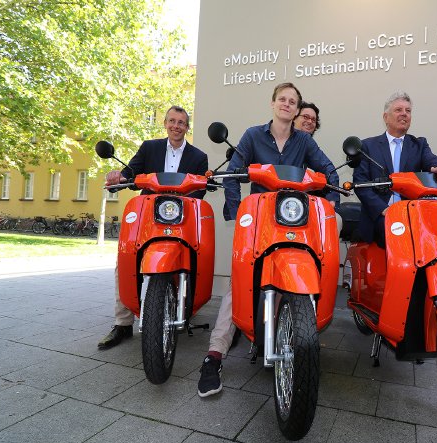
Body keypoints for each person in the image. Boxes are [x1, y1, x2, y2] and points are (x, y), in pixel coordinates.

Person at [197, 82, 339, 397]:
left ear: (297, 108)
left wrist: (330, 204)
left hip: (296, 221)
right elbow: (235, 174)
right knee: (240, 281)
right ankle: (215, 353)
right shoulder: (252, 136)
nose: (287, 104)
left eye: (293, 101)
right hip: (260, 222)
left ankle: (300, 337)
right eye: (282, 99)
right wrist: (237, 216)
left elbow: (329, 172)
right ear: (273, 103)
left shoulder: (304, 141)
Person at [98, 105, 209, 349]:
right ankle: (122, 323)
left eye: (181, 122)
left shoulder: (198, 156)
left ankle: (184, 307)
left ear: (187, 127)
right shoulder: (150, 147)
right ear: (165, 123)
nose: (176, 126)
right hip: (148, 217)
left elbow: (200, 191)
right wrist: (119, 176)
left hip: (182, 220)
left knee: (192, 258)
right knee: (125, 261)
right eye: (172, 121)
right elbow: (131, 173)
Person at [353, 91, 437, 248]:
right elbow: (360, 185)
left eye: (408, 111)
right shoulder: (367, 146)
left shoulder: (419, 144)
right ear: (386, 117)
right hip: (381, 216)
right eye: (398, 110)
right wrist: (384, 210)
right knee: (401, 237)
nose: (404, 114)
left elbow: (431, 160)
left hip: (412, 214)